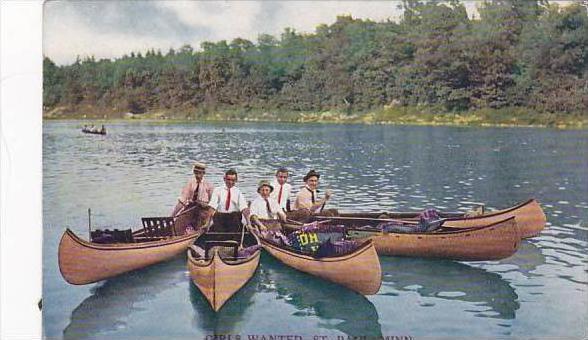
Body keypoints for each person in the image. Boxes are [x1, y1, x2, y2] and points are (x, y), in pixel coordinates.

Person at [171, 162, 215, 234]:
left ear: (203, 173)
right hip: (190, 208)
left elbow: (212, 205)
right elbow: (182, 201)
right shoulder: (190, 183)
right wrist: (172, 216)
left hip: (203, 210)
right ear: (194, 172)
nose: (197, 175)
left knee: (200, 226)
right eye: (196, 173)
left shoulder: (209, 186)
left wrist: (208, 219)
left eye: (200, 173)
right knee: (177, 226)